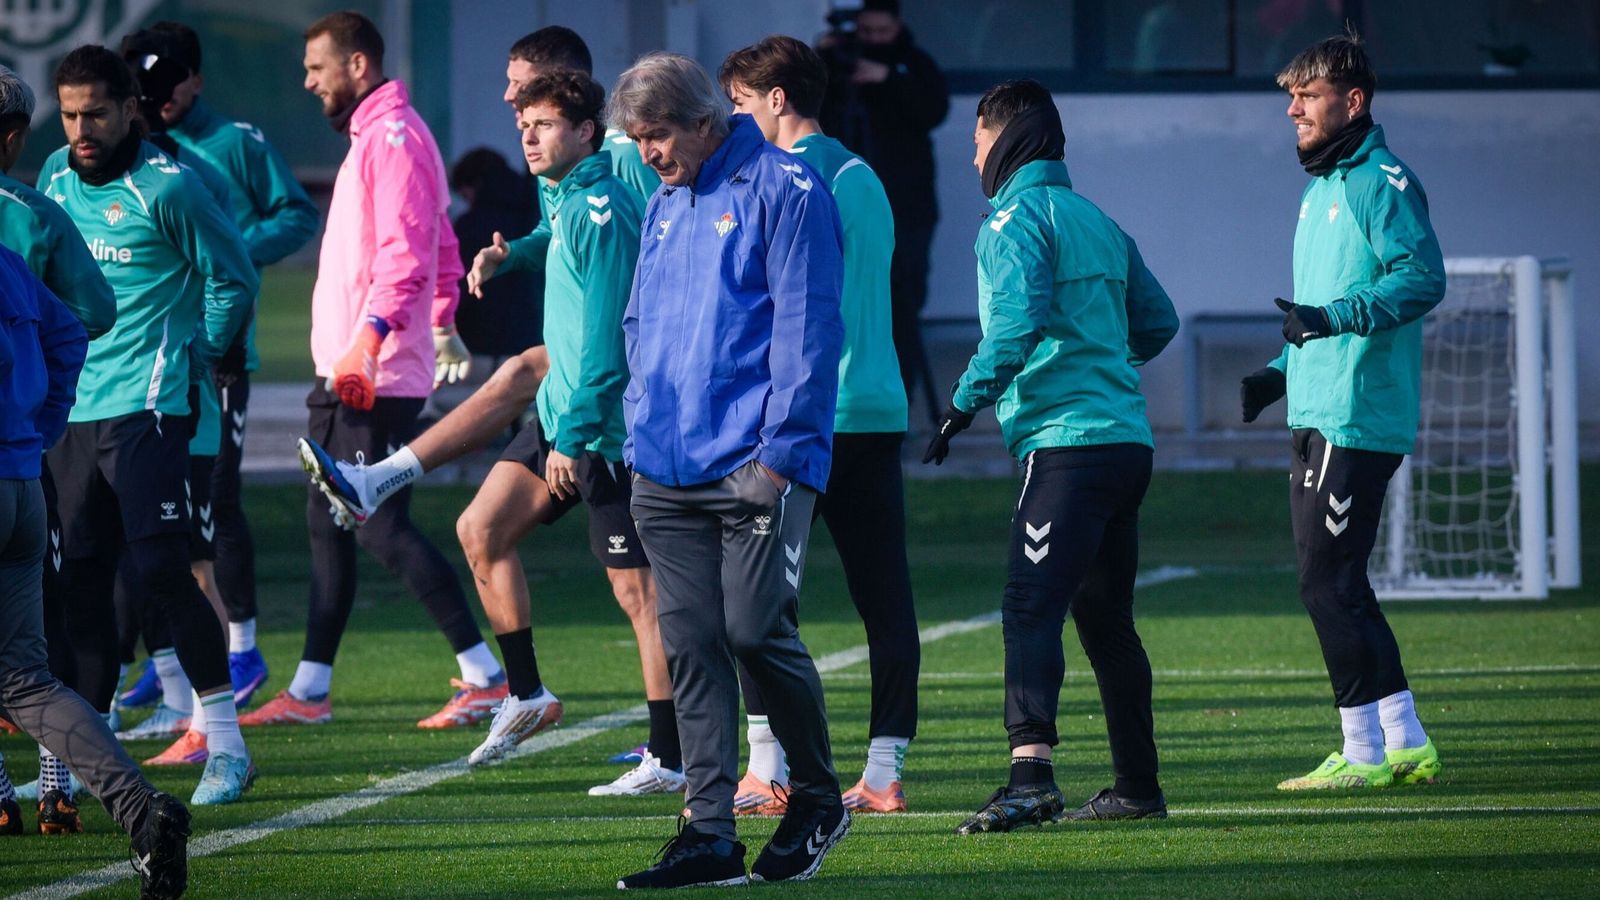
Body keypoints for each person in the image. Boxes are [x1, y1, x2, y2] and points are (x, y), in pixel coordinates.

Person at [300, 70, 683, 796]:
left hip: (600, 429)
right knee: (482, 529)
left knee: (640, 598)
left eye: (539, 121)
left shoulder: (603, 205)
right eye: (521, 123)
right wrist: (515, 254)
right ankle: (527, 692)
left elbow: (608, 340)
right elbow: (555, 242)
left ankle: (669, 756)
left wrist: (574, 434)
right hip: (565, 411)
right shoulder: (564, 194)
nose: (525, 133)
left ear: (585, 130)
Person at [610, 52, 849, 889]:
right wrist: (640, 430)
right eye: (638, 138)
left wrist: (782, 459)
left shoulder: (789, 188)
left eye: (659, 134)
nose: (649, 153)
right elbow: (641, 319)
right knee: (693, 650)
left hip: (756, 466)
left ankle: (818, 797)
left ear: (706, 119)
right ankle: (708, 831)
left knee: (754, 633)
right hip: (664, 471)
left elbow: (811, 331)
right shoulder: (667, 200)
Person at [926, 79, 1179, 833]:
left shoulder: (1012, 219)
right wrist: (1102, 362)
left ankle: (1030, 777)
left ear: (1005, 139)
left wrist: (962, 402)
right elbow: (1158, 323)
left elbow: (1015, 326)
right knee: (1107, 621)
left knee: (1029, 608)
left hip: (1065, 449)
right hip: (1125, 444)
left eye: (976, 140)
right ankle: (1137, 785)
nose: (973, 157)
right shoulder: (1096, 219)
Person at [241, 11, 504, 730]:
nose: (307, 81)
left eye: (316, 68)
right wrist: (443, 321)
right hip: (353, 363)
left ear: (357, 66)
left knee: (375, 520)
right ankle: (310, 690)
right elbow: (443, 238)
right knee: (329, 523)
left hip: (373, 370)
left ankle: (484, 675)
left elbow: (408, 252)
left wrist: (374, 337)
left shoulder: (391, 137)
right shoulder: (379, 137)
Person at [37, 44, 258, 806]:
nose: (81, 128)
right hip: (72, 412)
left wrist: (205, 349)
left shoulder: (172, 189)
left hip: (151, 406)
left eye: (95, 111)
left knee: (164, 570)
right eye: (68, 114)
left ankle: (225, 745)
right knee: (80, 588)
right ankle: (74, 763)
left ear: (131, 107)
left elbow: (234, 276)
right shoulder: (55, 180)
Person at [719, 35, 919, 816]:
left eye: (739, 103)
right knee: (883, 598)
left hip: (801, 420)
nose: (735, 120)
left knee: (758, 599)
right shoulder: (865, 177)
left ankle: (765, 769)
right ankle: (883, 770)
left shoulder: (785, 180)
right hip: (874, 409)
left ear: (775, 99)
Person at [1239, 32, 1444, 791]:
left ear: (1352, 101)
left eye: (1308, 95)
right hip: (1319, 408)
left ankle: (1365, 753)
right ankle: (1402, 743)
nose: (1293, 109)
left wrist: (1330, 321)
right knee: (1337, 582)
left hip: (1359, 412)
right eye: (1289, 96)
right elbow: (1314, 311)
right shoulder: (1318, 189)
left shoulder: (1380, 181)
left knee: (1327, 583)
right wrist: (1278, 371)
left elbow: (1420, 280)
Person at [120, 21, 321, 709]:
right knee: (154, 515)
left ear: (197, 78)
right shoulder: (128, 150)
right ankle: (173, 655)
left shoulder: (234, 142)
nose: (160, 97)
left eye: (170, 81)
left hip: (221, 356)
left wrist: (233, 247)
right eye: (147, 87)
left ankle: (241, 650)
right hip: (150, 362)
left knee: (218, 503)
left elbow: (296, 215)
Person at [0, 241, 191, 897]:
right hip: (21, 483)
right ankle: (143, 813)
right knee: (25, 683)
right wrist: (37, 431)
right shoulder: (8, 259)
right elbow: (70, 334)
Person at [0, 61, 119, 807]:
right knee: (36, 635)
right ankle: (55, 783)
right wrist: (40, 416)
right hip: (22, 456)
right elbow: (93, 313)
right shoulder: (35, 213)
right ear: (15, 137)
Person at [818, 0, 948, 426]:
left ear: (897, 26)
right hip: (844, 205)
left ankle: (901, 406)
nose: (872, 40)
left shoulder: (914, 64)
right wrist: (822, 58)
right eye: (866, 32)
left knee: (901, 307)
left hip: (906, 207)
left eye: (881, 32)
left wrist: (888, 78)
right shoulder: (836, 61)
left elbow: (933, 110)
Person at [448, 148, 540, 359]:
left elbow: (459, 286)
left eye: (465, 194)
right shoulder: (534, 214)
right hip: (530, 341)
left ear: (475, 185)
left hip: (479, 344)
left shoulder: (470, 226)